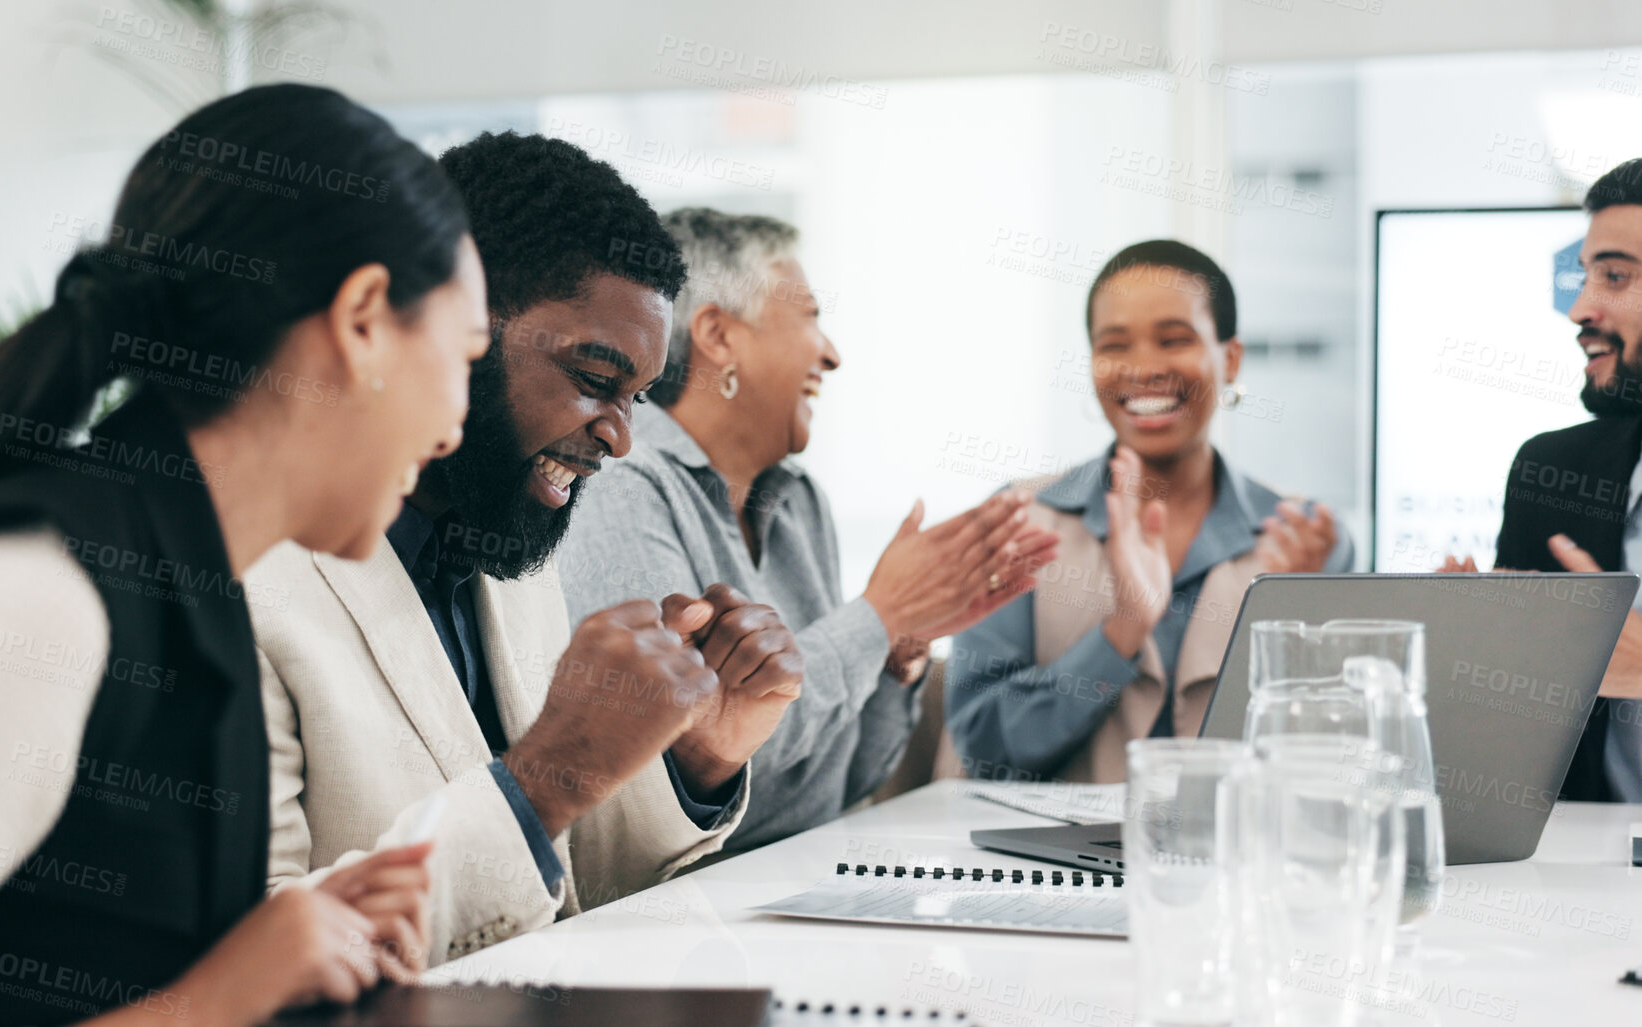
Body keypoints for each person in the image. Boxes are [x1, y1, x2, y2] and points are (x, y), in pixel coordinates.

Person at [0, 84, 484, 1026]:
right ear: (361, 319)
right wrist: (219, 995)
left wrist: (273, 948)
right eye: (466, 354)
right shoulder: (36, 605)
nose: (454, 428)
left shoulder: (186, 584)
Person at [245, 134, 804, 964]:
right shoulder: (242, 573)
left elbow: (570, 889)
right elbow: (251, 962)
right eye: (592, 377)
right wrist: (549, 772)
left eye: (637, 396)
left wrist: (699, 752)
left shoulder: (511, 556)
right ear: (449, 323)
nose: (619, 438)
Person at [556, 208, 1058, 853]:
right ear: (718, 336)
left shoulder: (800, 501)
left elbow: (842, 784)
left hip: (801, 878)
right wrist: (878, 616)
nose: (832, 353)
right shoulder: (621, 484)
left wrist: (890, 655)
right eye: (810, 319)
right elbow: (676, 785)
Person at [947, 240, 1352, 784]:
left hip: (1237, 862)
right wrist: (1123, 630)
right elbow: (985, 748)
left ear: (1230, 359)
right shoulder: (1018, 519)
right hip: (1058, 866)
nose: (1143, 368)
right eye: (1114, 344)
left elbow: (1335, 761)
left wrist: (1300, 633)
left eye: (1174, 339)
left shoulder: (1308, 539)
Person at [1442, 158, 1642, 801]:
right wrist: (1475, 659)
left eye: (1614, 276)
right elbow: (1504, 763)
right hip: (1582, 877)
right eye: (1585, 277)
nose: (1580, 308)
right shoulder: (1553, 474)